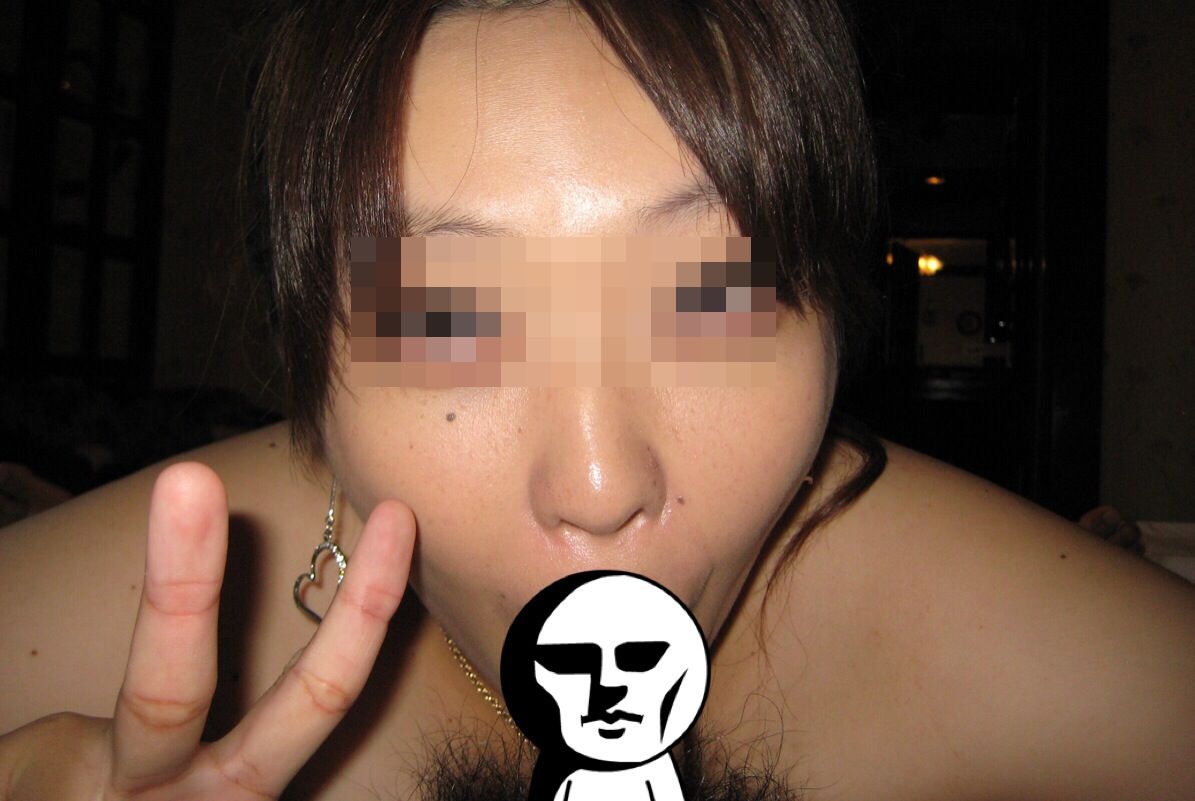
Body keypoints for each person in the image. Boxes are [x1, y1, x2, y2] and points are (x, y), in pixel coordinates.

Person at [1, 1, 1193, 799]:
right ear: (307, 369)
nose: (598, 482)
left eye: (713, 295)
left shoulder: (1052, 657)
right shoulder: (90, 629)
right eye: (446, 318)